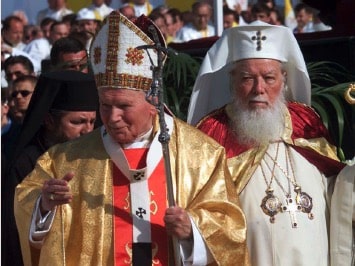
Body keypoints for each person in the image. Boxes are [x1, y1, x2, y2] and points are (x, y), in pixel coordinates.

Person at [14, 12, 249, 265]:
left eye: (123, 106)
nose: (112, 117)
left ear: (153, 101)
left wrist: (193, 231)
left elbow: (231, 229)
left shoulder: (201, 154)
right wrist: (45, 206)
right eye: (104, 105)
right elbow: (25, 204)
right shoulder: (63, 160)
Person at [187, 21, 354, 265]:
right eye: (247, 78)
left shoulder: (305, 122)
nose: (259, 89)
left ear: (284, 80)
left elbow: (337, 193)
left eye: (269, 77)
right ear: (232, 80)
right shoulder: (213, 133)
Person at [3, 70, 99, 266]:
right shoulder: (26, 162)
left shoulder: (97, 157)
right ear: (49, 120)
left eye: (91, 121)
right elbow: (12, 234)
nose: (87, 131)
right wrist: (43, 206)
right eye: (77, 122)